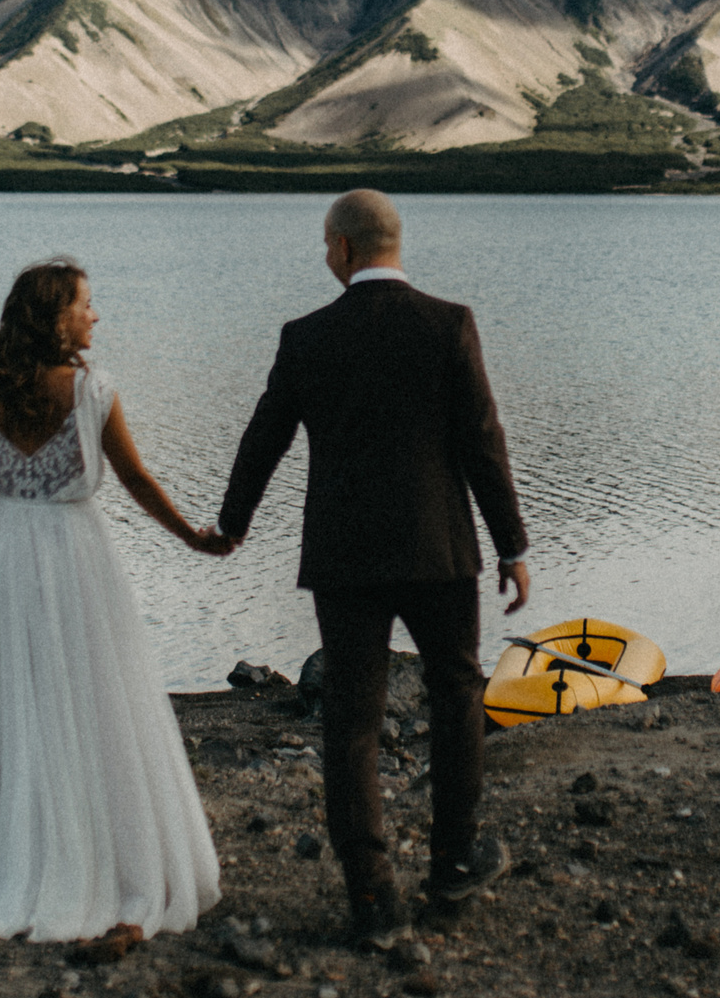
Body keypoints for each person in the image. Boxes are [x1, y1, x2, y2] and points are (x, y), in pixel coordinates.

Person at [217, 189, 531, 944]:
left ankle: (371, 897)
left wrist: (232, 524)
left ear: (344, 247)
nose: (325, 255)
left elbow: (266, 437)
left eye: (326, 244)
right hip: (438, 547)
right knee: (457, 691)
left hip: (345, 553)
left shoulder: (306, 336)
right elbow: (482, 439)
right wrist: (512, 546)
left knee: (352, 720)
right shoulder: (448, 323)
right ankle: (454, 862)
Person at [0, 258, 230, 943]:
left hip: (3, 551)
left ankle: (14, 848)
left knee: (16, 699)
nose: (95, 314)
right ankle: (96, 849)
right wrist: (191, 535)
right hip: (76, 552)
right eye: (86, 302)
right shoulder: (92, 389)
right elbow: (134, 477)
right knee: (94, 696)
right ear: (57, 317)